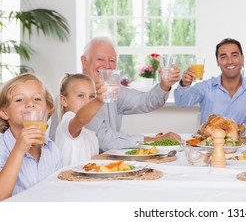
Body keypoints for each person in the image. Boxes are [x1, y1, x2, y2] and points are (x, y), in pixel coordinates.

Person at [49, 36, 181, 151]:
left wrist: (164, 86)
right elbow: (106, 140)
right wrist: (156, 140)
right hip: (68, 172)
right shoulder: (73, 97)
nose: (107, 65)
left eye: (111, 60)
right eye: (100, 59)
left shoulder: (111, 90)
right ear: (84, 62)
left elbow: (146, 101)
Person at [174, 38, 246, 134]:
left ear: (242, 58)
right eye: (223, 57)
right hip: (209, 147)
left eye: (234, 55)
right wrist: (184, 84)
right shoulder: (206, 87)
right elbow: (181, 102)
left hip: (242, 147)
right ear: (217, 61)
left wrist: (233, 128)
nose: (229, 61)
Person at [0, 73, 62, 200]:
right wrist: (19, 149)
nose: (30, 104)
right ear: (4, 112)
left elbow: (59, 191)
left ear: (48, 108)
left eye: (37, 99)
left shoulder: (52, 149)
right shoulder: (2, 147)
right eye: (19, 100)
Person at [55, 74, 106, 166]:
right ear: (64, 100)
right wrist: (99, 100)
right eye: (80, 95)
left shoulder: (92, 135)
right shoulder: (66, 123)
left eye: (92, 96)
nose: (87, 101)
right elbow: (80, 118)